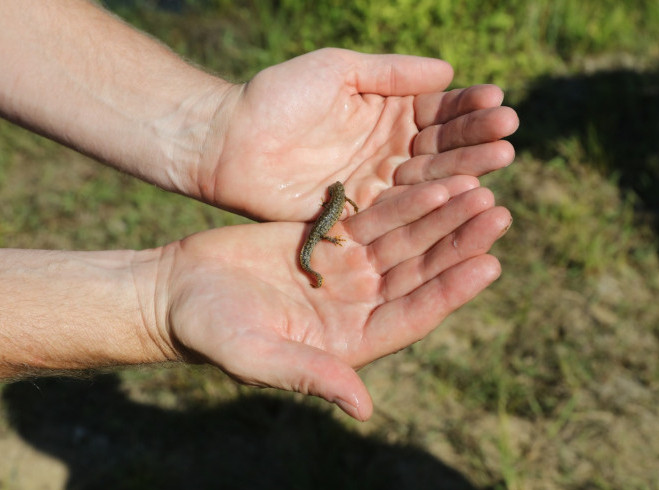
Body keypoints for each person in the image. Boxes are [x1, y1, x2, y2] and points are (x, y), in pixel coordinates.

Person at [0, 0, 519, 421]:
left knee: (315, 242)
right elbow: (337, 207)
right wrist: (154, 300)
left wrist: (213, 127)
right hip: (320, 232)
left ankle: (310, 262)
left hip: (321, 231)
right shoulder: (334, 208)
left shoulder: (332, 207)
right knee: (314, 243)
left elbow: (336, 206)